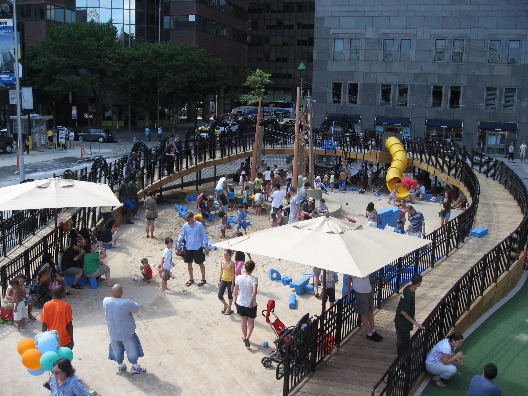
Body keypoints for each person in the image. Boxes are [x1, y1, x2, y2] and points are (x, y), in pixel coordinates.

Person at [103, 284, 147, 374]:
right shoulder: (125, 303)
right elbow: (136, 307)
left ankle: (120, 366)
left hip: (113, 332)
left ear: (111, 291)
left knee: (116, 349)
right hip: (126, 332)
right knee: (131, 349)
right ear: (122, 293)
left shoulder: (106, 301)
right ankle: (135, 366)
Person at [394, 274, 425, 356]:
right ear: (420, 283)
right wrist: (415, 323)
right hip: (402, 324)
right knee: (402, 344)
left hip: (403, 323)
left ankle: (404, 359)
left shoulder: (408, 288)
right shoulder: (409, 294)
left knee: (405, 343)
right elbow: (403, 312)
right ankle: (401, 362)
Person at [178, 211, 210, 287]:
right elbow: (181, 234)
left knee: (200, 263)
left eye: (188, 220)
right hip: (188, 247)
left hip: (197, 247)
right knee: (189, 263)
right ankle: (191, 278)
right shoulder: (185, 225)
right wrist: (179, 242)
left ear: (192, 218)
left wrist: (206, 245)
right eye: (186, 220)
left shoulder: (199, 225)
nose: (187, 221)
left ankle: (203, 279)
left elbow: (204, 235)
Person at [347, 275, 382, 342]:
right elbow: (349, 279)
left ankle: (373, 330)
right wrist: (348, 291)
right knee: (364, 313)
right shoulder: (355, 271)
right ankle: (369, 333)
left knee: (370, 311)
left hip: (368, 290)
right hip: (361, 292)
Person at [234, 260, 258, 348]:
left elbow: (236, 290)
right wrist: (251, 302)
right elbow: (254, 292)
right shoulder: (254, 279)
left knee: (243, 320)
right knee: (251, 322)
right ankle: (247, 337)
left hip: (240, 302)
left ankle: (244, 336)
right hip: (250, 304)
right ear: (253, 269)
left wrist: (235, 299)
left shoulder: (239, 277)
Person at [218, 249, 235, 315]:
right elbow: (221, 271)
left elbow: (233, 274)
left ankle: (229, 308)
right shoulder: (222, 262)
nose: (225, 256)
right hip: (223, 280)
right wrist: (219, 280)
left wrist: (233, 284)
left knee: (230, 296)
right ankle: (225, 304)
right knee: (220, 295)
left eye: (226, 255)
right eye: (224, 255)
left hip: (230, 281)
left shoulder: (232, 263)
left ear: (230, 255)